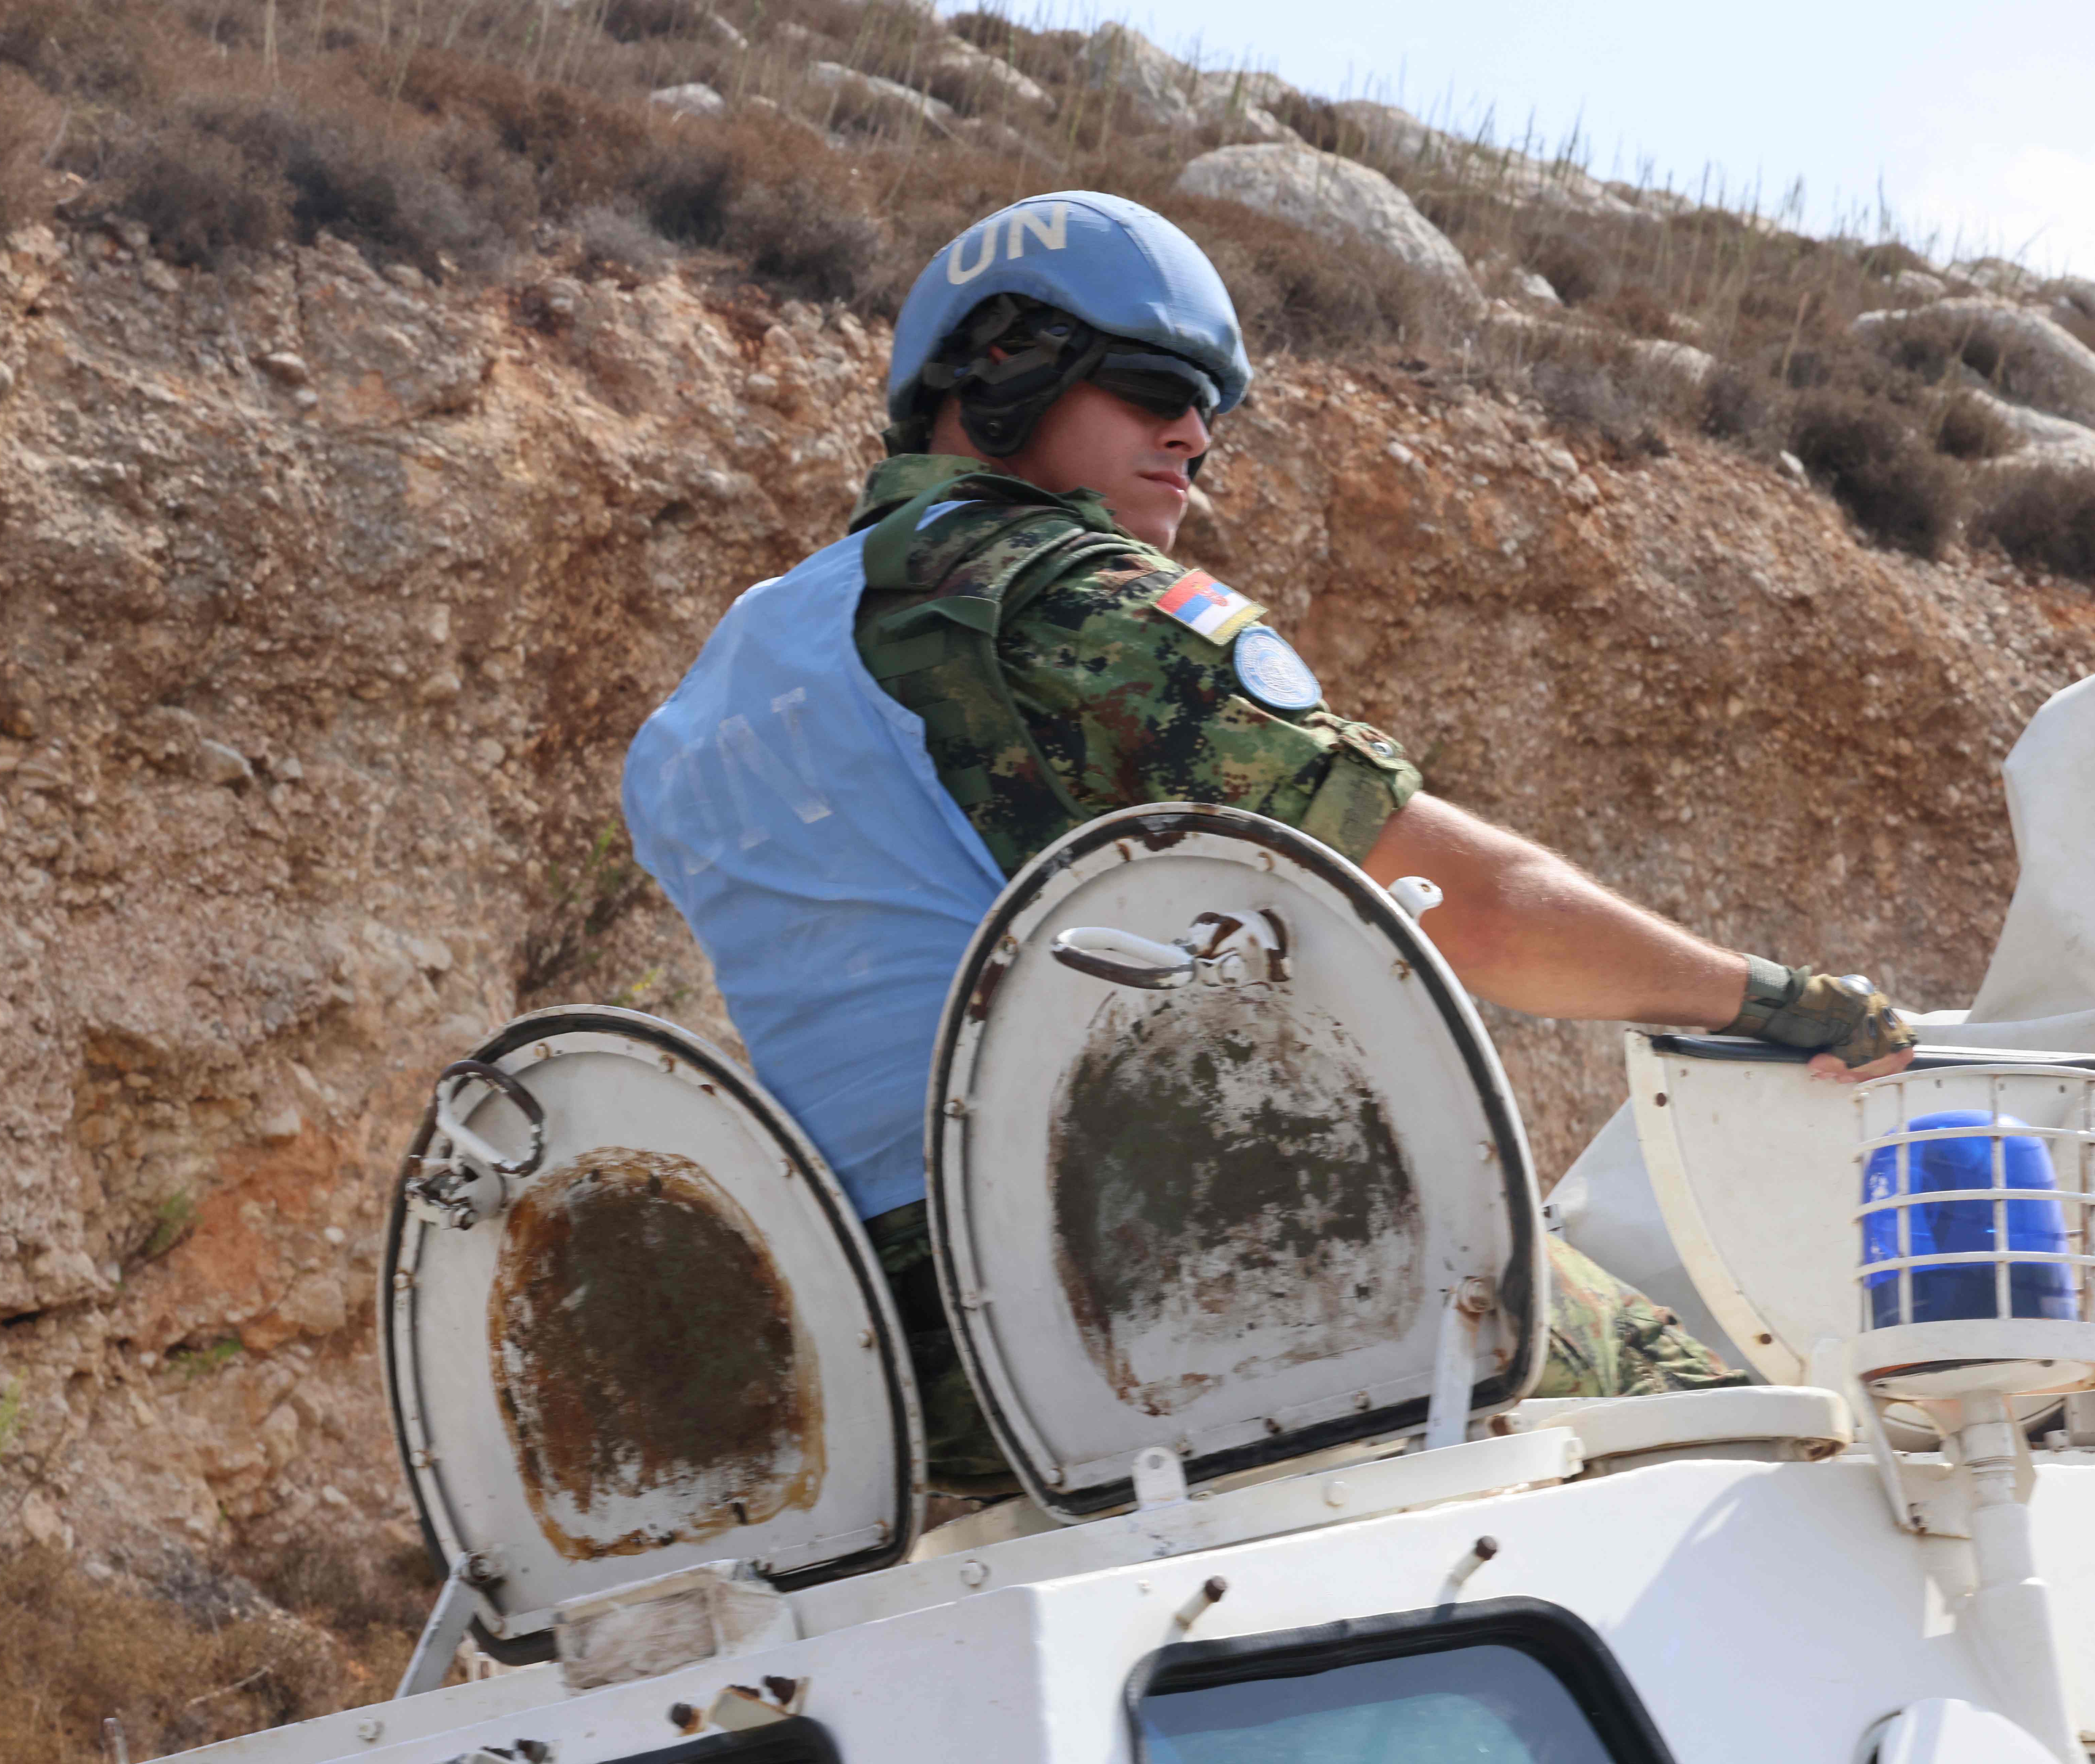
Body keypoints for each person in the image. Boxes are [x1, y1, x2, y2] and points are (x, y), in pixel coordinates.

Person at [623, 191, 1914, 1492]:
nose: (1191, 434)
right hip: (1166, 1284)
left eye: (1208, 412)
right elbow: (1475, 908)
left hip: (898, 1373)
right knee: (1753, 1445)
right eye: (1148, 385)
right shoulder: (1066, 597)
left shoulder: (704, 703)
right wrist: (1770, 1002)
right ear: (1001, 372)